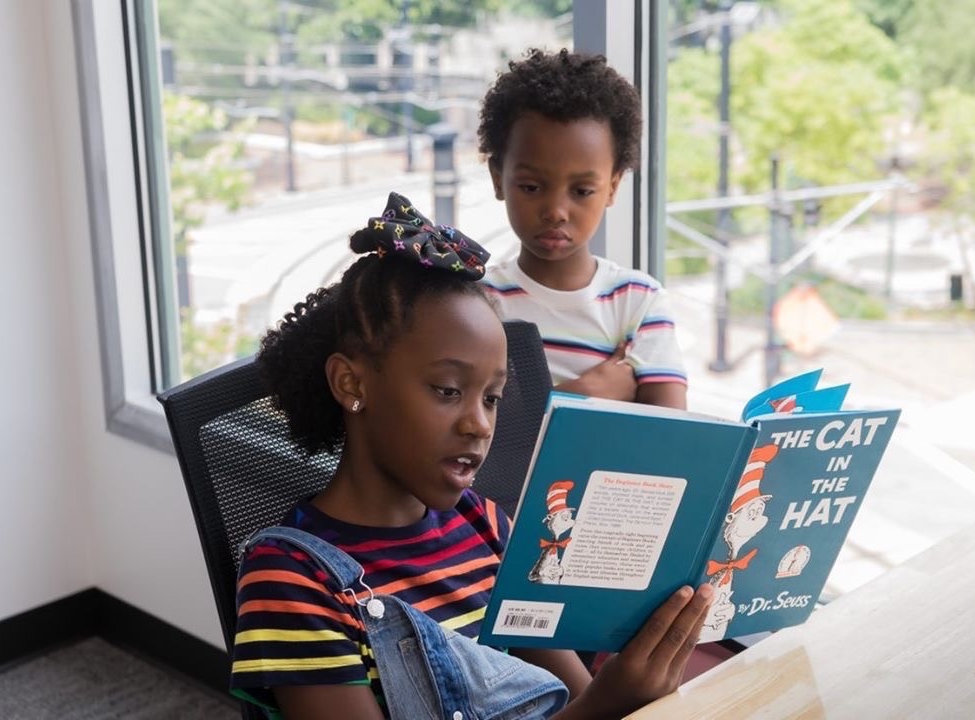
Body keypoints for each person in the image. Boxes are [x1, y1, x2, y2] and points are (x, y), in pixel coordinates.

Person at [230, 192, 713, 719]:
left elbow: (572, 697)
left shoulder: (485, 525)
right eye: (446, 390)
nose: (479, 424)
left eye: (492, 398)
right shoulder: (293, 579)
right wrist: (611, 701)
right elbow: (591, 708)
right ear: (352, 382)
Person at [479, 48, 688, 409]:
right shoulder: (478, 302)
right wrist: (584, 396)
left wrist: (535, 408)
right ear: (498, 178)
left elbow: (668, 439)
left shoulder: (639, 303)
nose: (556, 211)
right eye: (531, 187)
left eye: (581, 191)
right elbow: (473, 432)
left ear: (613, 187)